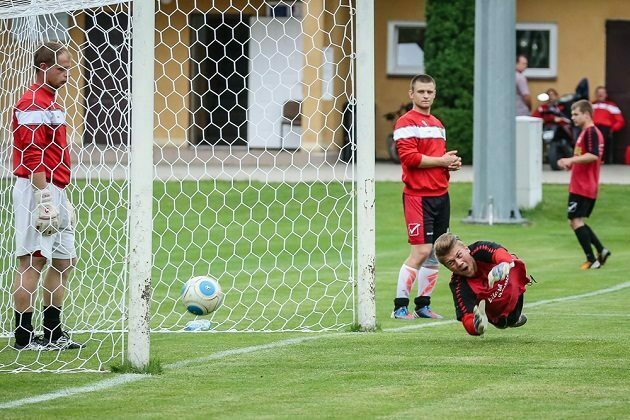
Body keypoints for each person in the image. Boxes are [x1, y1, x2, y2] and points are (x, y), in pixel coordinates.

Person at [11, 42, 84, 351]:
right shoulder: (31, 103)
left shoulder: (52, 102)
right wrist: (43, 197)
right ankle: (24, 338)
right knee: (33, 261)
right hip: (37, 189)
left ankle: (53, 332)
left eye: (69, 68)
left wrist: (59, 195)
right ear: (43, 68)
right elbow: (33, 154)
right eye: (61, 68)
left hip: (55, 189)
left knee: (65, 261)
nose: (66, 74)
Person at [391, 74, 462, 320]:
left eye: (430, 92)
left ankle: (423, 305)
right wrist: (441, 161)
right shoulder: (405, 123)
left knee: (436, 252)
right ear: (411, 94)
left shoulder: (438, 124)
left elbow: (435, 159)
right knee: (421, 251)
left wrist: (449, 164)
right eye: (421, 91)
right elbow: (409, 159)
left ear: (435, 93)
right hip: (417, 197)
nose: (426, 95)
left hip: (441, 196)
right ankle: (400, 306)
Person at [434, 233, 533, 336]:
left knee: (510, 261)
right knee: (510, 320)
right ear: (448, 268)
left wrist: (503, 263)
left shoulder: (479, 249)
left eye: (459, 255)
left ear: (466, 249)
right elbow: (467, 317)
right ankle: (513, 319)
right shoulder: (459, 285)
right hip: (501, 317)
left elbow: (498, 252)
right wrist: (476, 326)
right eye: (451, 263)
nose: (459, 263)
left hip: (515, 286)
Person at [557, 100, 611, 270]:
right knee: (575, 220)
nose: (572, 117)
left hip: (583, 185)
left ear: (586, 114)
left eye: (576, 114)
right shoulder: (586, 133)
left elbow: (594, 155)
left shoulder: (591, 132)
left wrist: (570, 159)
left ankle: (592, 259)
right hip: (583, 184)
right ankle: (601, 250)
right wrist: (573, 164)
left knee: (575, 220)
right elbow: (588, 157)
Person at [591, 86, 625, 164]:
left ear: (606, 94)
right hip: (592, 127)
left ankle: (602, 160)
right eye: (598, 93)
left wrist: (612, 129)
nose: (600, 94)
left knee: (601, 140)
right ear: (596, 94)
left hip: (605, 128)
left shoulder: (611, 105)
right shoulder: (591, 105)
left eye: (602, 93)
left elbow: (620, 121)